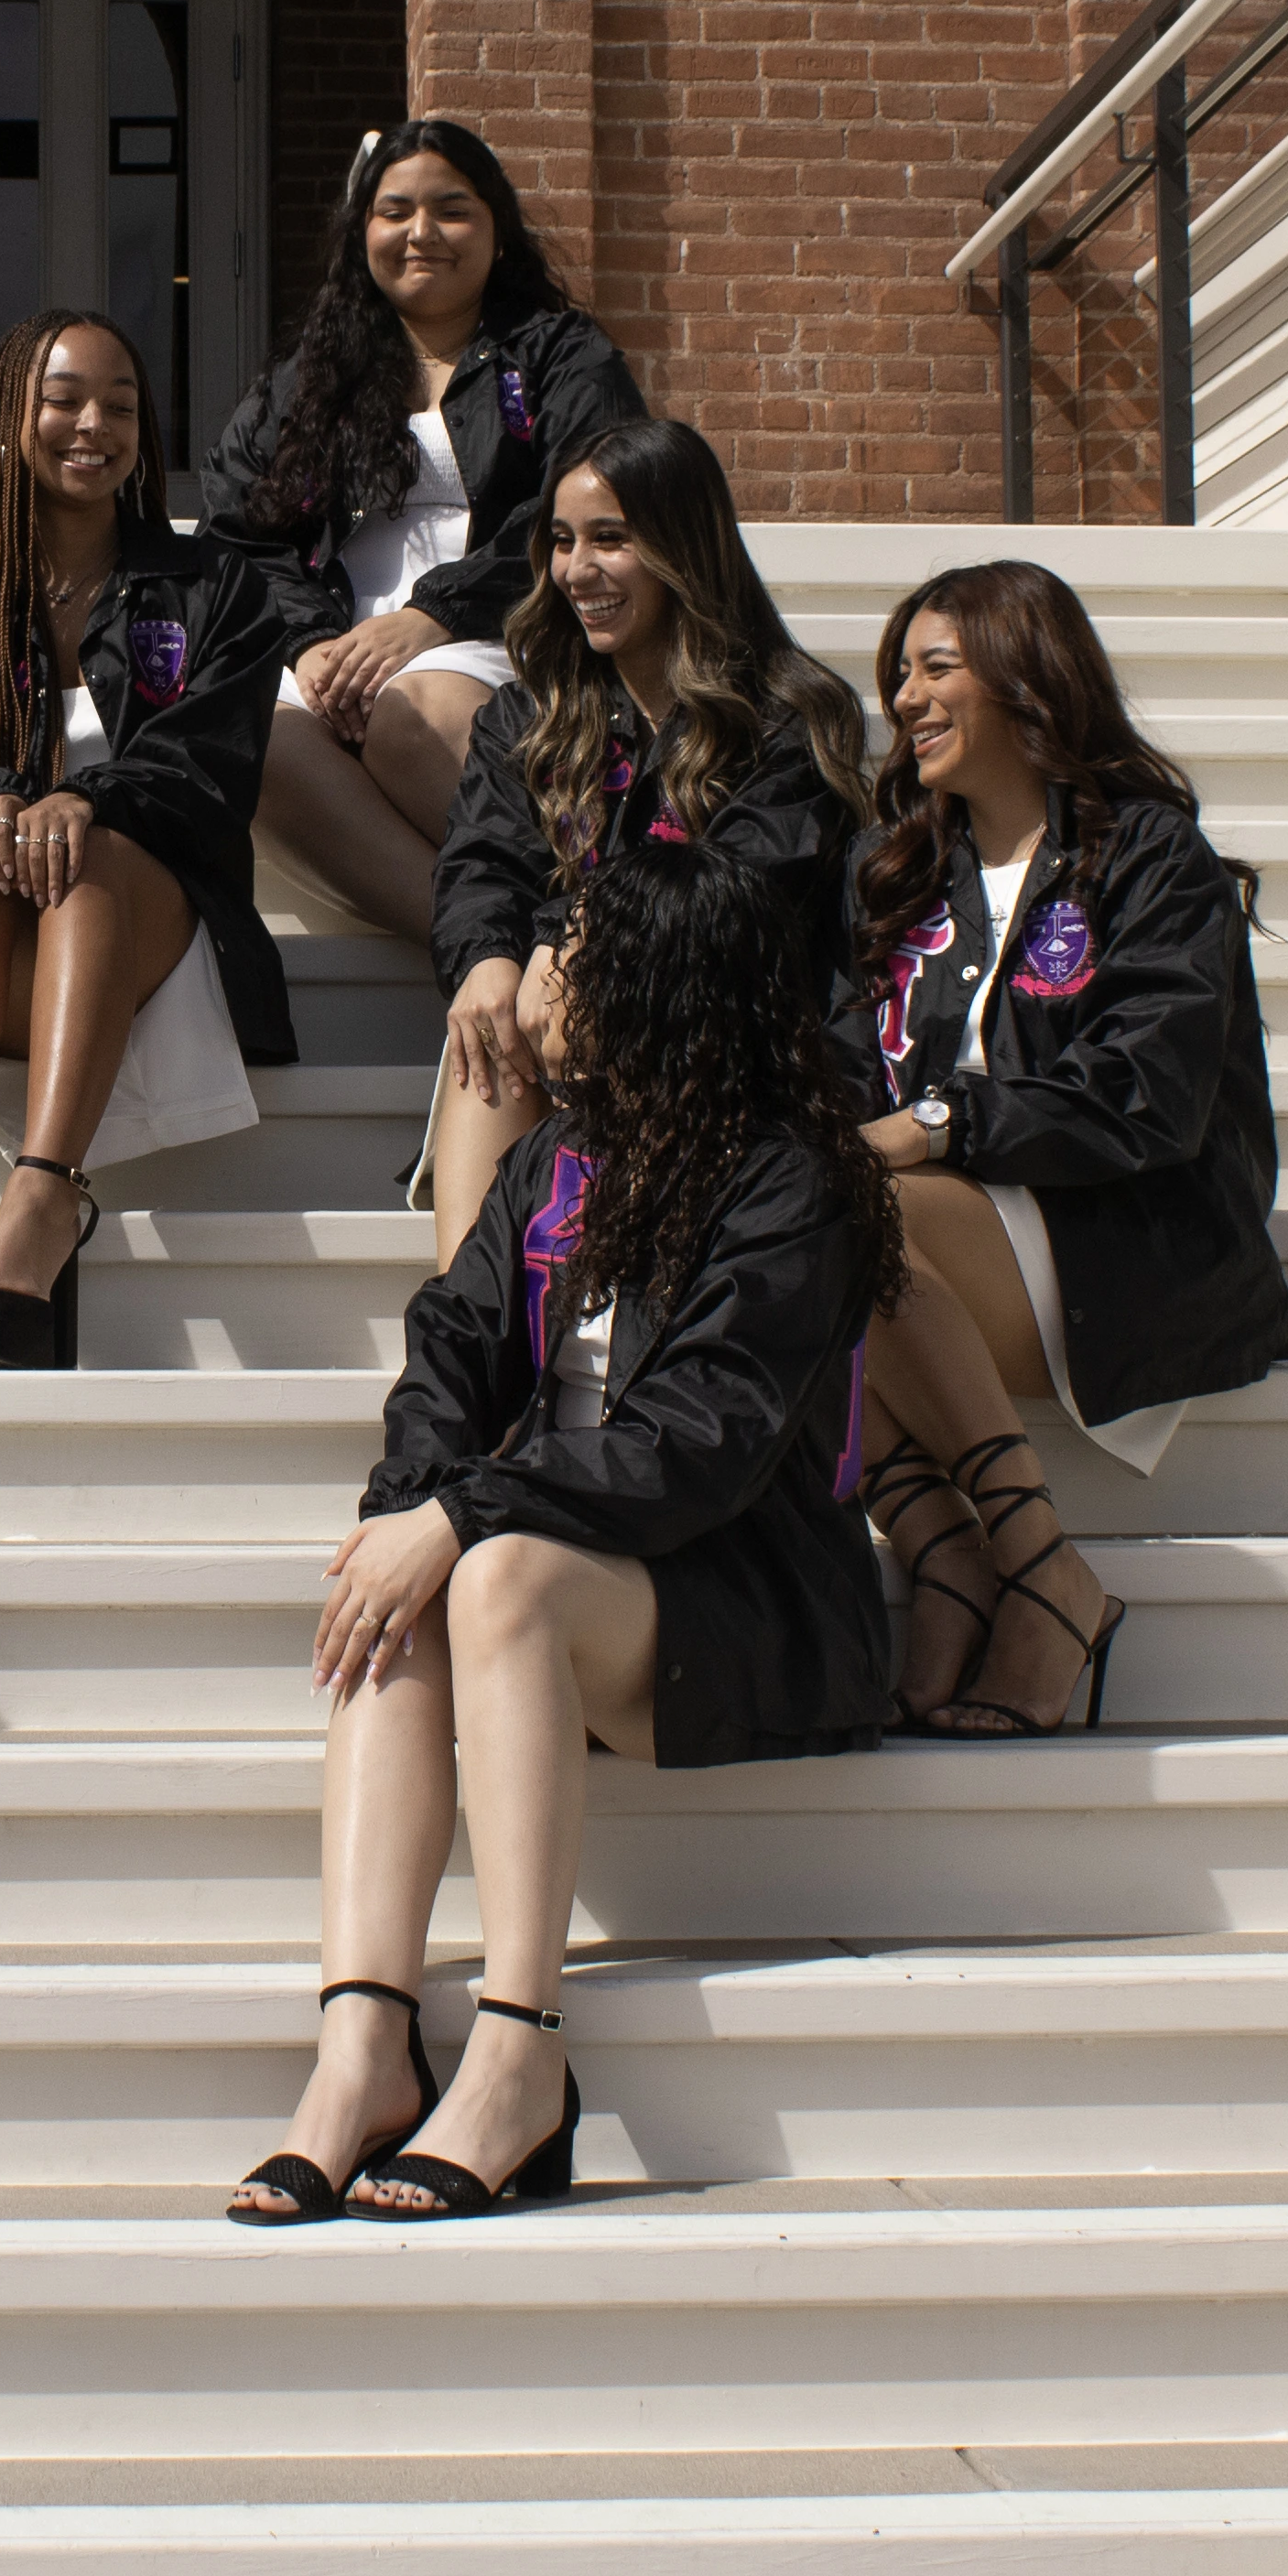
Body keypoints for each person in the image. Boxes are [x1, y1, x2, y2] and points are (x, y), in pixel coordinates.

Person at [225, 840, 901, 2228]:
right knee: (409, 1568)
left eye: (570, 951)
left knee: (495, 1573)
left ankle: (521, 2048)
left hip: (751, 1604)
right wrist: (419, 1508)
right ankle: (362, 2049)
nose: (538, 974)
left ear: (655, 981)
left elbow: (701, 1442)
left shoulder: (788, 1184)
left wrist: (467, 1513)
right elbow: (448, 1357)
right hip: (583, 1587)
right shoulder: (555, 1158)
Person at [830, 559, 1288, 1737]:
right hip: (964, 1234)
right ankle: (952, 1557)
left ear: (1026, 674)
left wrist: (940, 1124)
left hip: (1125, 1231)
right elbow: (841, 1068)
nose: (906, 697)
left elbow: (1149, 1095)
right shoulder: (898, 876)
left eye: (937, 666)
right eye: (899, 673)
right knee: (773, 1208)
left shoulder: (1150, 860)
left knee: (848, 1210)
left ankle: (1045, 1572)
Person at [0, 307, 295, 1370]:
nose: (94, 423)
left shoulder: (213, 587)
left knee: (79, 849)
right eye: (64, 399)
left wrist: (84, 801)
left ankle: (44, 1198)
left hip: (162, 948)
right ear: (10, 419)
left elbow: (210, 770)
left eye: (123, 406)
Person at [420, 417, 867, 1260]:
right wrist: (489, 958)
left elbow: (729, 901)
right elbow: (481, 864)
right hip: (546, 1044)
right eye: (560, 541)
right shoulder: (529, 715)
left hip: (721, 1061)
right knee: (487, 1022)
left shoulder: (788, 719)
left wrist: (566, 941)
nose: (576, 570)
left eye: (610, 539)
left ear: (681, 546)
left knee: (553, 992)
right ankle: (468, 1329)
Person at [198, 119, 644, 943]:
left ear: (496, 229)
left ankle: (580, 933)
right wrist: (310, 645)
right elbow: (237, 533)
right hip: (333, 642)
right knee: (248, 726)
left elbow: (580, 514)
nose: (421, 233)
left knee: (411, 711)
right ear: (361, 230)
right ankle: (503, 948)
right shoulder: (313, 375)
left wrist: (430, 616)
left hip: (501, 625)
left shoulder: (559, 355)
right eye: (394, 210)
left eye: (452, 210)